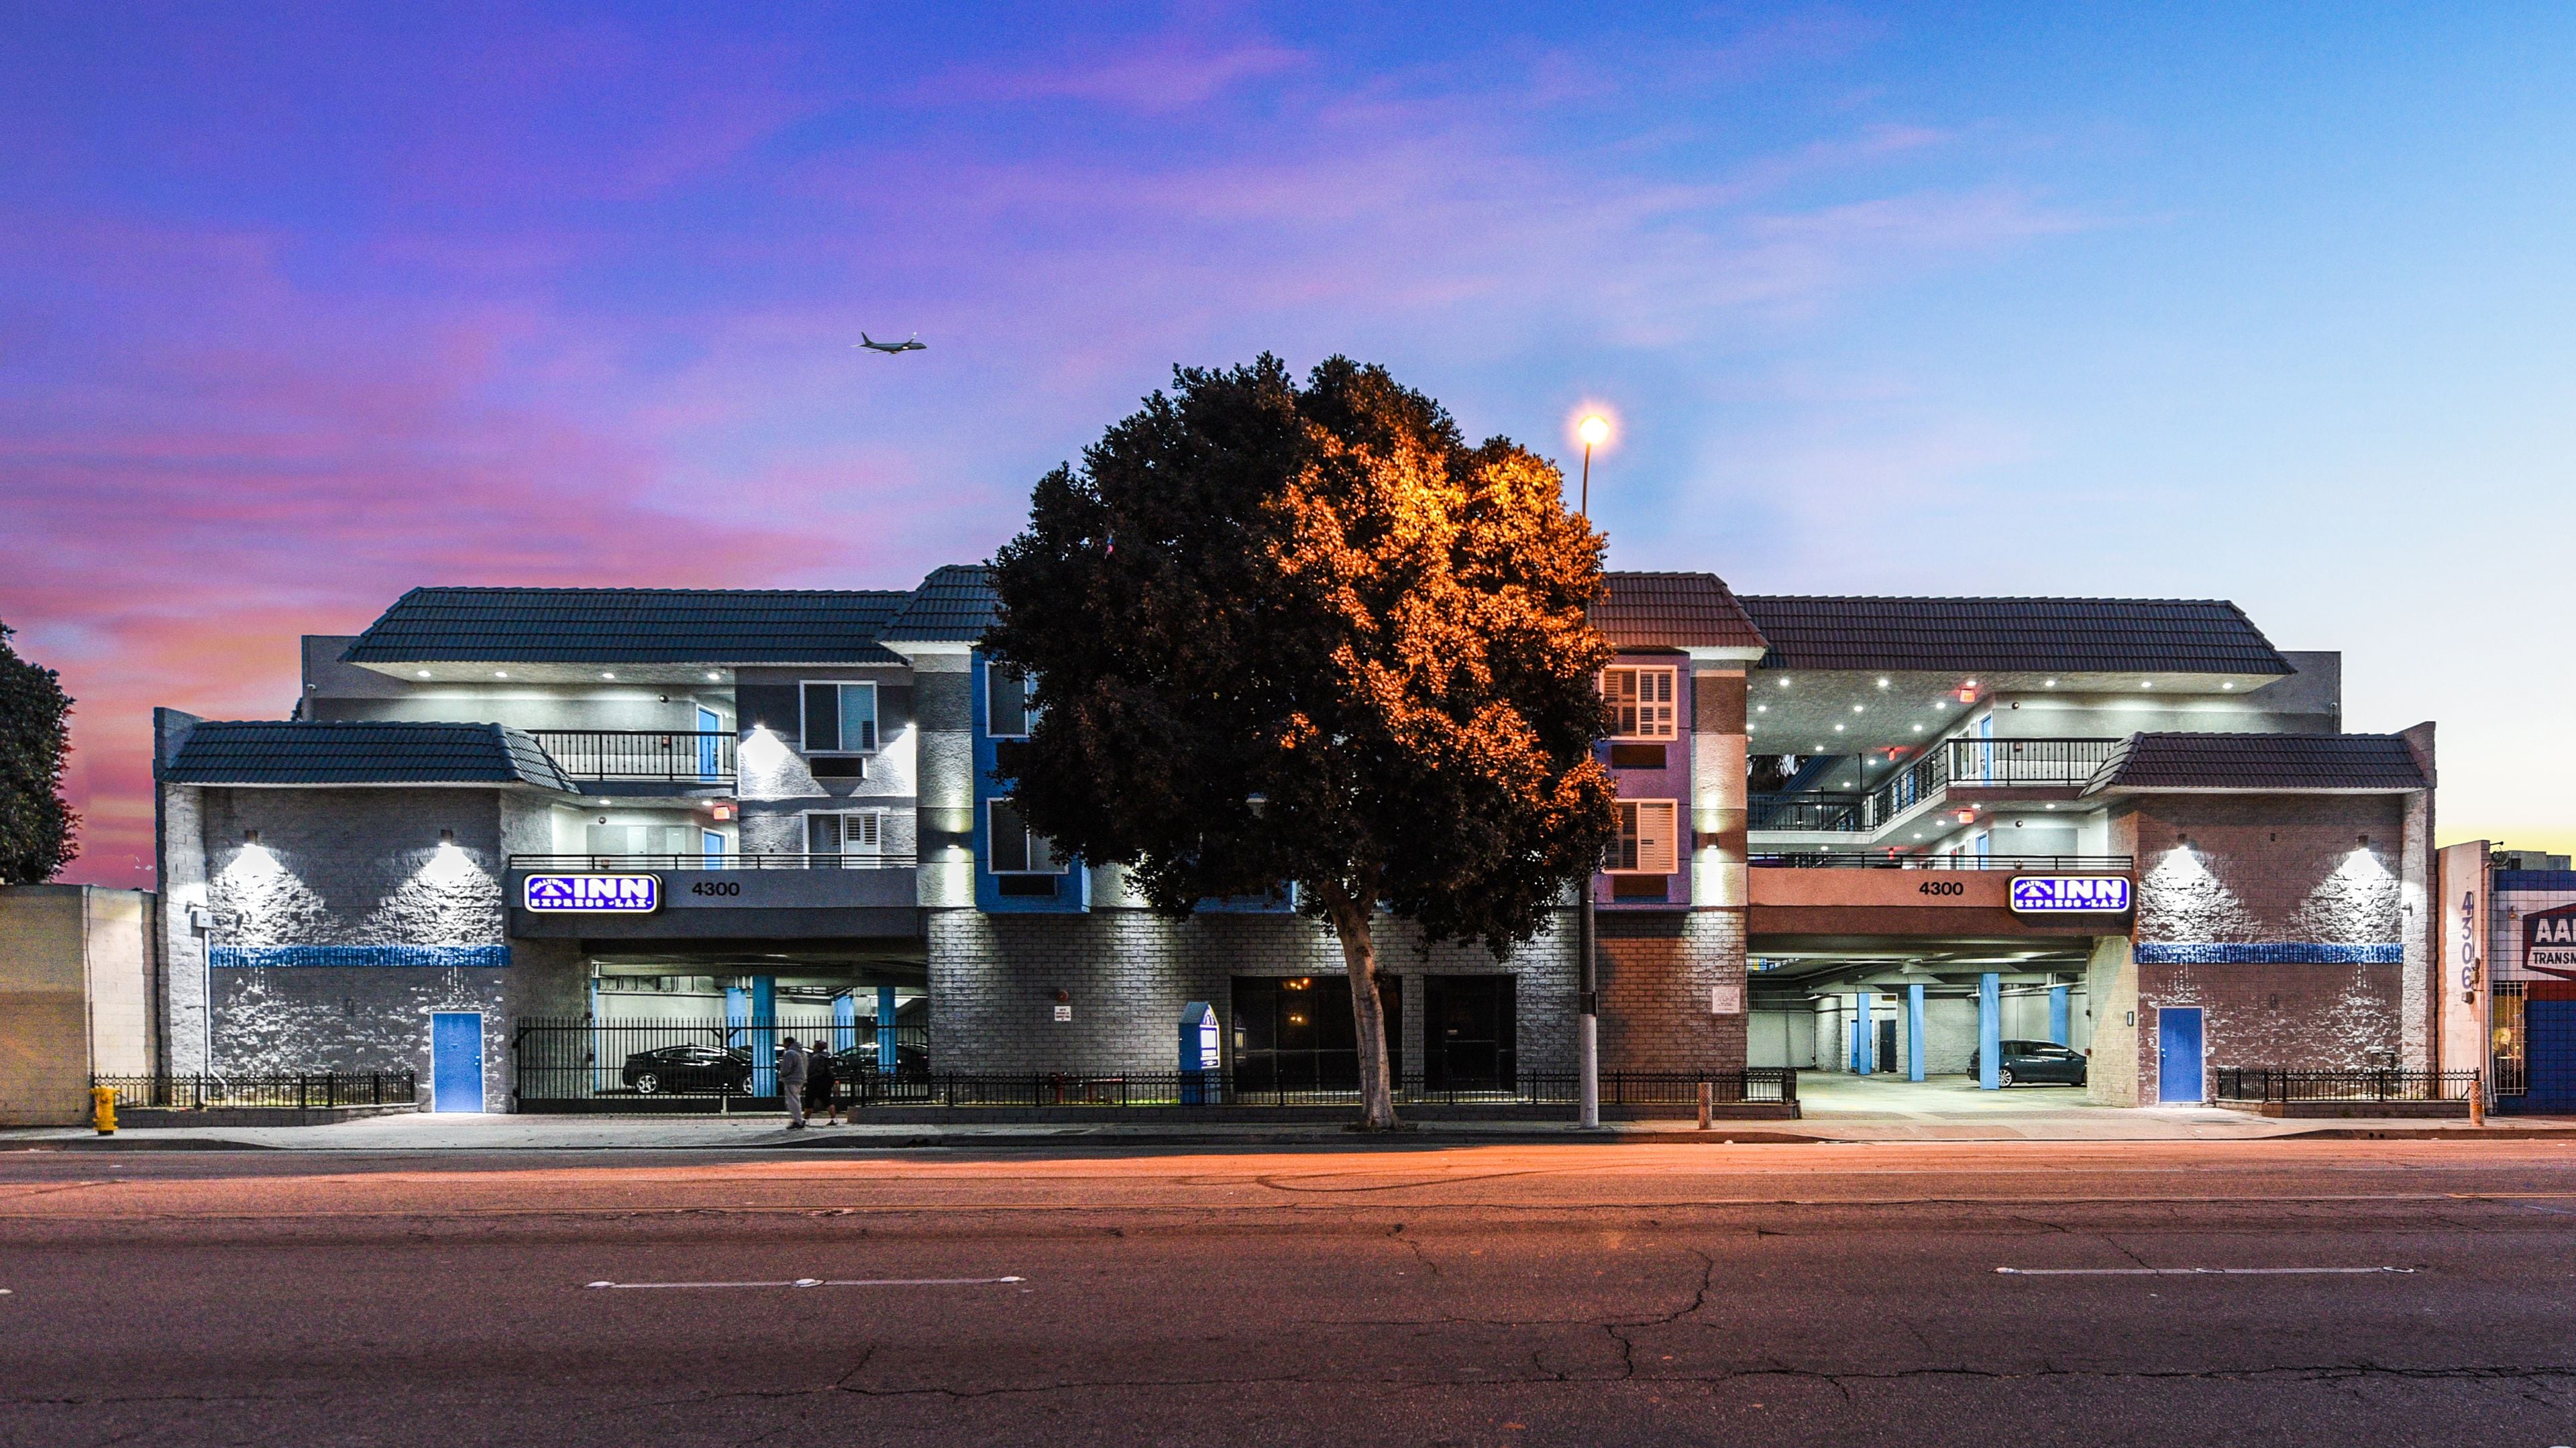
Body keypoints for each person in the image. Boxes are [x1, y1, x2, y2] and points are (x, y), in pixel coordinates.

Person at [776, 1037, 809, 1129]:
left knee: (792, 1101)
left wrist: (781, 1074)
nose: (783, 1045)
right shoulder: (802, 1053)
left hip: (792, 1079)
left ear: (788, 1043)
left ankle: (798, 1120)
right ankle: (797, 1119)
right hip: (800, 1079)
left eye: (784, 1043)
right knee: (796, 1100)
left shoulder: (790, 1053)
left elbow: (787, 1068)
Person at [806, 1038, 839, 1125]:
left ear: (816, 1048)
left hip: (815, 1080)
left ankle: (806, 1120)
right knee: (827, 1100)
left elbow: (810, 1070)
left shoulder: (815, 1057)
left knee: (809, 1100)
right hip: (827, 1080)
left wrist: (808, 1078)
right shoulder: (828, 1056)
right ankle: (834, 1119)